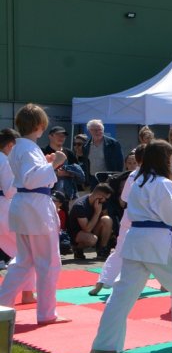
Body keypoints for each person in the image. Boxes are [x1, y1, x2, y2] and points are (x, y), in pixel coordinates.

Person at [89, 141, 172, 353]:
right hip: (156, 241)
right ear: (163, 159)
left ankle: (103, 344)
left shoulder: (138, 180)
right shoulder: (163, 183)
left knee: (122, 294)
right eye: (170, 157)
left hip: (135, 239)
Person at [0, 105, 69, 323]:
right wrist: (55, 165)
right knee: (48, 262)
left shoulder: (19, 147)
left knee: (23, 261)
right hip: (34, 206)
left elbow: (27, 176)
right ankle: (47, 313)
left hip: (24, 205)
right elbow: (31, 179)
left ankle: (3, 304)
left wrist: (47, 165)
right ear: (40, 126)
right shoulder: (28, 148)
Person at [89, 145, 145, 296]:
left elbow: (124, 198)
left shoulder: (133, 175)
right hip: (146, 219)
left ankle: (102, 282)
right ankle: (166, 283)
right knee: (158, 250)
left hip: (130, 215)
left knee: (120, 251)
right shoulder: (154, 176)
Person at [65, 184, 114, 260]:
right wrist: (97, 212)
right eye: (105, 198)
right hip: (78, 233)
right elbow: (87, 229)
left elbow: (105, 217)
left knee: (107, 220)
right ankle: (78, 249)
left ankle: (102, 249)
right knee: (92, 240)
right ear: (99, 195)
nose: (106, 201)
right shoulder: (80, 205)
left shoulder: (102, 203)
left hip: (92, 229)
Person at [43, 125, 82, 200]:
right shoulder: (43, 152)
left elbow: (79, 173)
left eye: (63, 136)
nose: (61, 138)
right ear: (50, 136)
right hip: (49, 194)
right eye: (58, 135)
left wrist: (68, 173)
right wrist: (56, 173)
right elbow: (39, 173)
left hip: (68, 194)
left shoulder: (69, 153)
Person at [83, 118, 124, 183]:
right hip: (93, 179)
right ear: (89, 131)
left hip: (108, 178)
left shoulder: (113, 144)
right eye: (95, 130)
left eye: (100, 129)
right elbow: (86, 163)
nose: (98, 132)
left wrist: (116, 178)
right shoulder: (86, 146)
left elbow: (119, 163)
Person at [0, 129, 18, 266]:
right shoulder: (5, 160)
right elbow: (10, 191)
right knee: (21, 250)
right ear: (11, 145)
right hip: (3, 207)